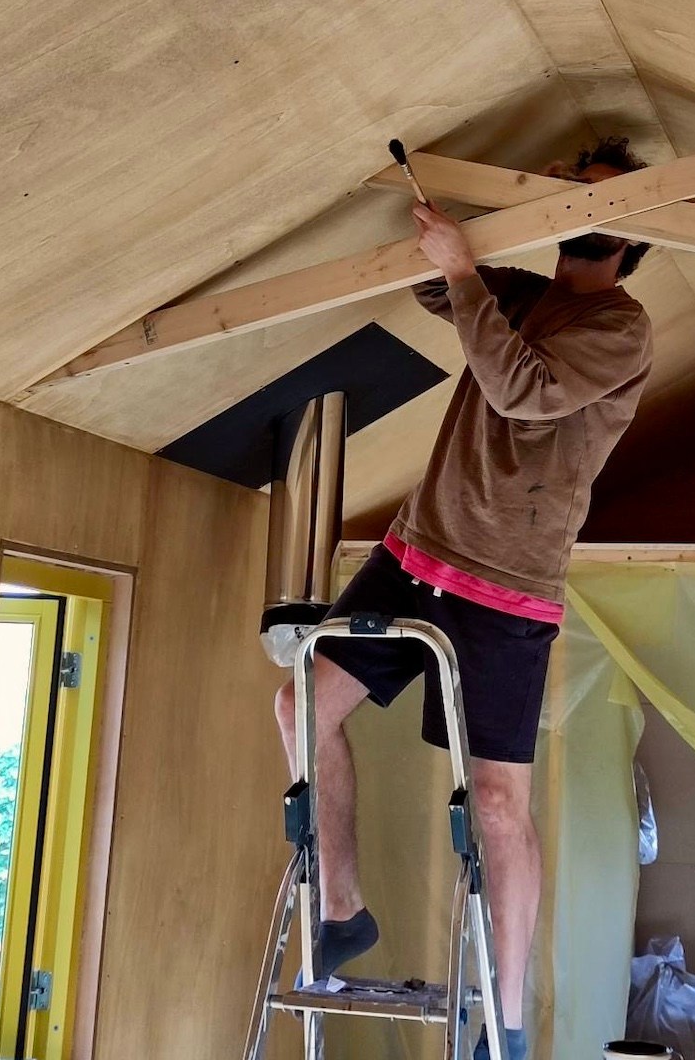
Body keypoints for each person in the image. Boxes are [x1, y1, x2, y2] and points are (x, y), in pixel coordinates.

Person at [274, 137, 656, 1060]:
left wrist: (464, 273)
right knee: (300, 706)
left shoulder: (621, 328)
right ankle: (343, 907)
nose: (584, 213)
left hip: (507, 590)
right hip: (417, 552)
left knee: (495, 802)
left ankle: (508, 1022)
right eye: (573, 194)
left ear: (633, 237)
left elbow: (523, 390)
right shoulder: (516, 294)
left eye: (603, 205)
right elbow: (436, 291)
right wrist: (482, 226)